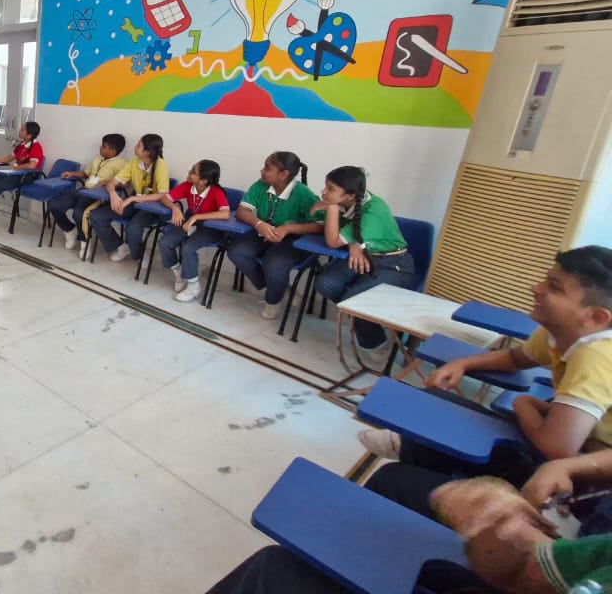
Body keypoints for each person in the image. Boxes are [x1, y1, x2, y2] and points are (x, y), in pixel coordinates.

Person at [360, 247, 612, 521]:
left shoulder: (596, 356)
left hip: (584, 482)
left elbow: (557, 447)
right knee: (440, 400)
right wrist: (463, 364)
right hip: (572, 445)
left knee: (393, 479)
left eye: (553, 287)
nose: (536, 288)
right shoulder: (559, 332)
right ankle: (414, 449)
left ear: (595, 317)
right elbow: (516, 358)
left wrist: (523, 404)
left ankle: (421, 461)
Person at [206, 460, 612, 594]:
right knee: (392, 480)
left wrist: (500, 524)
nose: (536, 292)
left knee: (272, 570)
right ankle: (346, 569)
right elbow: (537, 572)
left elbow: (526, 571)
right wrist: (572, 465)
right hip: (571, 533)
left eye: (555, 291)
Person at [310, 166, 413, 350]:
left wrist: (331, 208)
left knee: (354, 300)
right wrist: (354, 243)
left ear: (350, 196)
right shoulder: (349, 201)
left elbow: (333, 241)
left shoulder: (373, 210)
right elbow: (324, 223)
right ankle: (364, 317)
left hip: (393, 263)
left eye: (330, 189)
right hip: (363, 254)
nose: (323, 192)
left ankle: (377, 342)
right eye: (326, 186)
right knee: (325, 283)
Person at [230, 151, 322, 319]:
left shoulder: (303, 194)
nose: (261, 171)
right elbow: (242, 211)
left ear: (283, 174)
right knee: (237, 251)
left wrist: (288, 228)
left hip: (294, 237)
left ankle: (273, 300)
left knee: (274, 263)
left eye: (267, 168)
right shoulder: (260, 185)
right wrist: (259, 224)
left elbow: (320, 226)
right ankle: (278, 287)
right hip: (265, 230)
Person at [156, 159, 231, 304]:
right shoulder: (187, 186)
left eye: (193, 172)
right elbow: (165, 198)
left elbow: (225, 214)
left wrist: (196, 217)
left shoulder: (216, 192)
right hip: (191, 222)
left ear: (203, 181)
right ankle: (179, 273)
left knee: (188, 248)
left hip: (212, 226)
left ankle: (193, 286)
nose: (189, 173)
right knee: (165, 242)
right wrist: (175, 208)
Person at [87, 133, 170, 263]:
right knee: (97, 216)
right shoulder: (134, 162)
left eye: (139, 145)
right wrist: (113, 195)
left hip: (152, 206)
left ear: (147, 152)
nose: (135, 147)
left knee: (133, 228)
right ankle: (121, 247)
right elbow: (112, 183)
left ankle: (138, 255)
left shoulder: (160, 165)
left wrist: (131, 199)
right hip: (135, 202)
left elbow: (162, 194)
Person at [49, 134, 127, 251]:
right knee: (54, 204)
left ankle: (84, 242)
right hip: (84, 190)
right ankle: (70, 230)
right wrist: (72, 174)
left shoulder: (121, 164)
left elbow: (125, 184)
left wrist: (106, 182)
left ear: (113, 150)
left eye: (104, 146)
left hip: (98, 196)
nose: (100, 147)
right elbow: (86, 174)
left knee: (79, 213)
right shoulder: (98, 159)